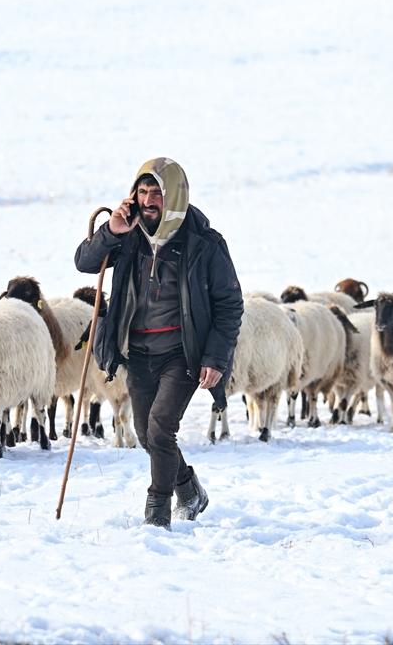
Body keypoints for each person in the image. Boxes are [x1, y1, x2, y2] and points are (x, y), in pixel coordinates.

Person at [74, 158, 243, 530]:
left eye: (157, 193)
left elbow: (230, 304)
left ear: (175, 196)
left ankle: (157, 515)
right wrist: (111, 231)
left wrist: (216, 358)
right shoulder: (128, 234)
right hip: (138, 352)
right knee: (146, 434)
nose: (148, 201)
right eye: (143, 191)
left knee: (161, 427)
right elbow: (85, 263)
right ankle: (189, 490)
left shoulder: (204, 243)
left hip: (182, 353)